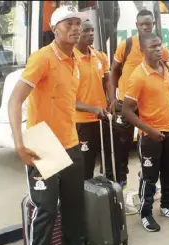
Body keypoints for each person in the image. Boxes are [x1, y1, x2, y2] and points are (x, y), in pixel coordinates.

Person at [7, 7, 90, 245]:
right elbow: (15, 100)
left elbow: (64, 99)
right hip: (43, 143)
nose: (76, 28)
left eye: (78, 23)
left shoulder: (76, 60)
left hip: (71, 142)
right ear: (54, 29)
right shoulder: (43, 58)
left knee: (74, 208)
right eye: (68, 23)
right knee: (46, 210)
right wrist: (19, 143)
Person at [122, 33, 169, 233]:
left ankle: (166, 205)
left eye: (160, 45)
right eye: (153, 47)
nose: (158, 49)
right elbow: (126, 110)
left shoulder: (165, 67)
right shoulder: (138, 76)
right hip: (150, 136)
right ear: (143, 50)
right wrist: (149, 130)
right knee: (149, 177)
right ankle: (146, 213)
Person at [110, 9, 169, 188]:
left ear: (154, 24)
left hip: (148, 105)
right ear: (137, 26)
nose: (146, 27)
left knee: (148, 145)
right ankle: (121, 183)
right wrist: (112, 97)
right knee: (122, 146)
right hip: (127, 104)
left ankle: (146, 178)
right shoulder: (127, 45)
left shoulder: (157, 46)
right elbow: (114, 71)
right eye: (142, 24)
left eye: (149, 23)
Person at [74, 20, 117, 181]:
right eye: (86, 31)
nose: (91, 33)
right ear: (77, 34)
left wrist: (112, 99)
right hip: (82, 122)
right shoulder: (71, 59)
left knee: (110, 161)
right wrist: (92, 109)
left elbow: (108, 79)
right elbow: (69, 100)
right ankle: (86, 199)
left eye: (92, 30)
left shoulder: (99, 56)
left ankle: (110, 196)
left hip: (103, 118)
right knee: (86, 165)